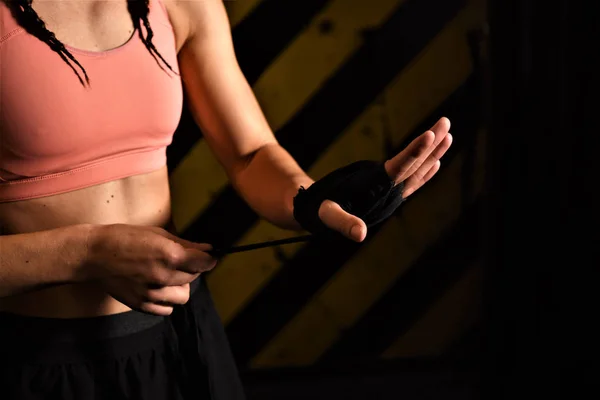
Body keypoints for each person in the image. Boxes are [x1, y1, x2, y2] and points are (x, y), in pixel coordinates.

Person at [0, 0, 453, 399]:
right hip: (32, 359)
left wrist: (313, 202)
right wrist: (87, 255)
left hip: (177, 338)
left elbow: (249, 155)